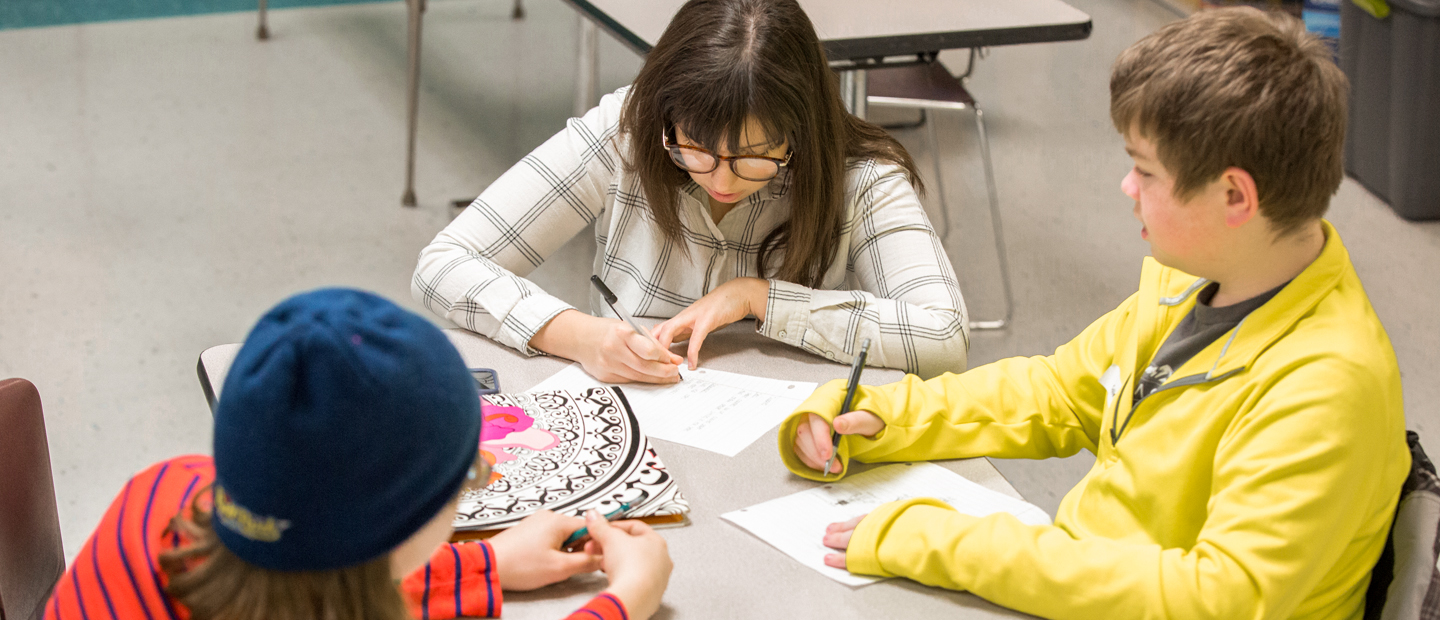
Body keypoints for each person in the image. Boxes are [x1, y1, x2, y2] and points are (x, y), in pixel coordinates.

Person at [781, 8, 1409, 620]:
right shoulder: (1194, 279)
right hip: (1090, 578)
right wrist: (886, 415)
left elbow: (1215, 600)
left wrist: (943, 543)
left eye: (1145, 170)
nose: (1125, 188)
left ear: (1234, 196)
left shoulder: (1327, 386)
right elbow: (1058, 391)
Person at [412, 0, 968, 385]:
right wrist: (579, 336)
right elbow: (442, 266)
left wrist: (760, 299)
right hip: (639, 417)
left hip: (792, 435)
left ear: (802, 129)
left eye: (755, 155)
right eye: (696, 148)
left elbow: (943, 335)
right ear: (667, 115)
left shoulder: (859, 175)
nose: (722, 180)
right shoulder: (626, 131)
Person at [45, 289, 673, 620]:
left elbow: (321, 574)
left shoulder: (164, 491)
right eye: (466, 476)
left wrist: (485, 565)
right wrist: (628, 598)